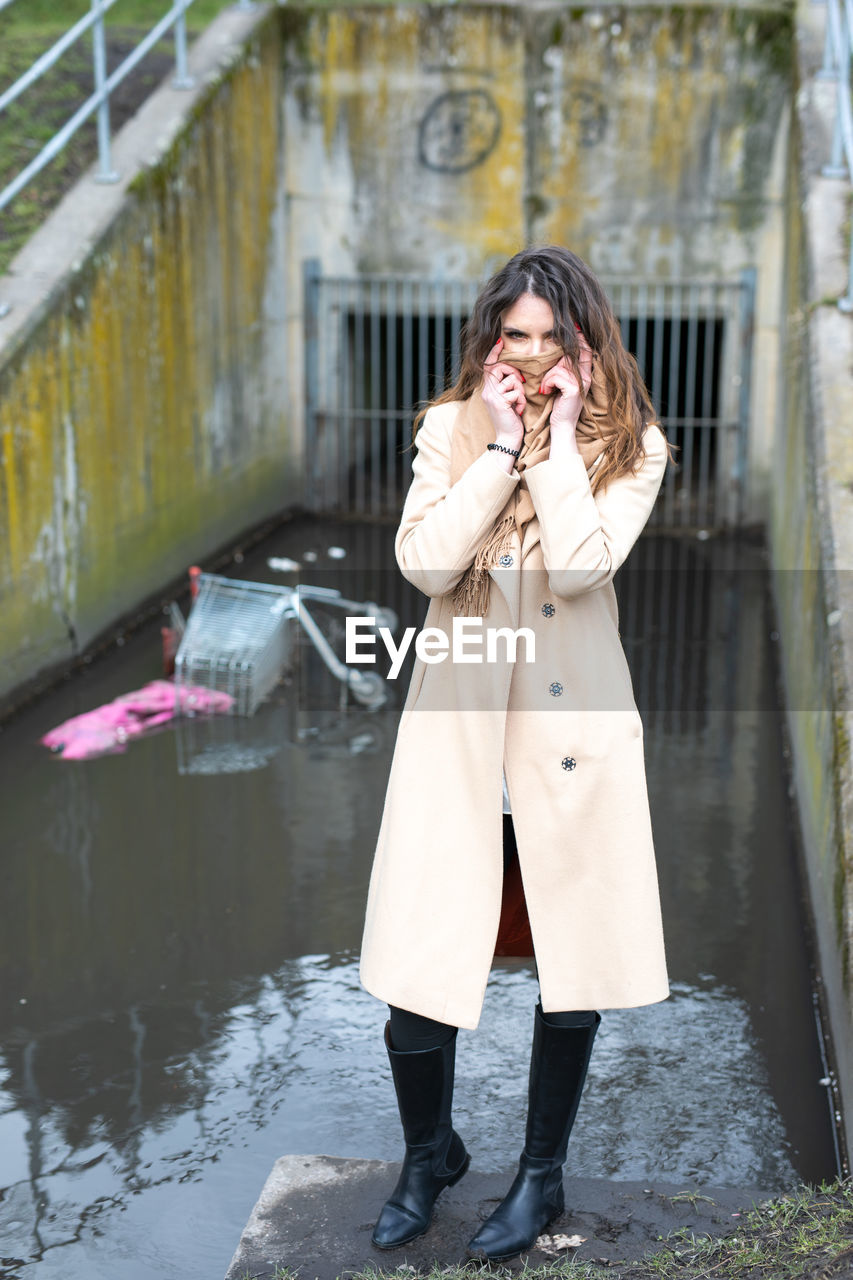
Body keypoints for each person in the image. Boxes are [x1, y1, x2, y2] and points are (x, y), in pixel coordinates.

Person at [359, 245, 675, 1262]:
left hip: (570, 741)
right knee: (419, 960)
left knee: (568, 961)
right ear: (493, 334)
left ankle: (540, 1178)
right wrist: (499, 446)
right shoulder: (448, 428)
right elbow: (424, 562)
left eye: (552, 337)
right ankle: (426, 1157)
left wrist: (552, 450)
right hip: (458, 740)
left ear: (583, 340)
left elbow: (582, 568)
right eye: (516, 334)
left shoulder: (633, 446)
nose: (533, 357)